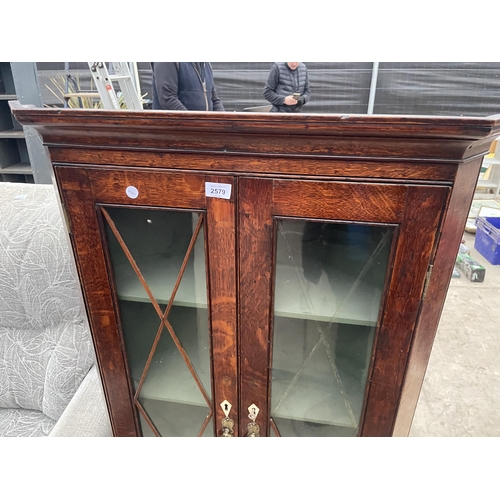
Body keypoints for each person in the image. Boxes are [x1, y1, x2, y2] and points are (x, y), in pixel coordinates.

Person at [151, 62, 225, 111]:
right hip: (176, 131)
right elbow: (168, 98)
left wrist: (224, 122)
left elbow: (214, 100)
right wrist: (193, 124)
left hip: (201, 130)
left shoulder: (206, 64)